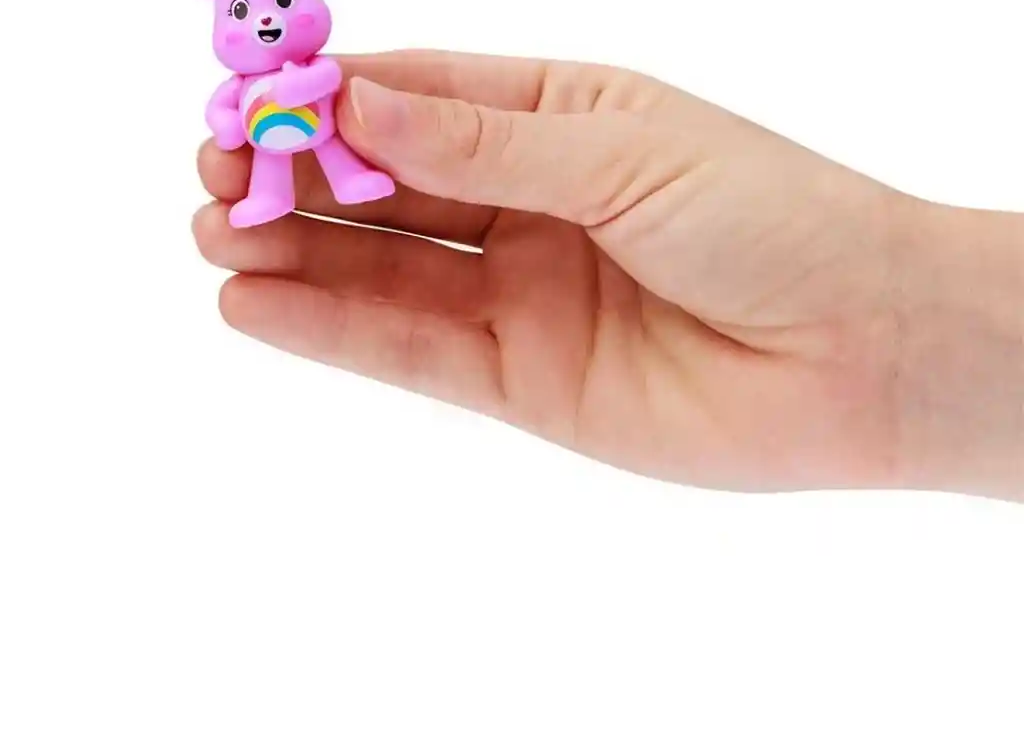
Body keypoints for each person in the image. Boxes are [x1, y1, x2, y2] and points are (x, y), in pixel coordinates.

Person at [192, 50, 1023, 502]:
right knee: (272, 178)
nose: (266, 22)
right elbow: (226, 116)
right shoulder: (257, 82)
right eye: (246, 11)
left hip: (313, 127)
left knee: (341, 160)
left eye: (278, 2)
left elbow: (322, 85)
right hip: (281, 137)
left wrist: (903, 323)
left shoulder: (313, 76)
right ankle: (281, 190)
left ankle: (348, 179)